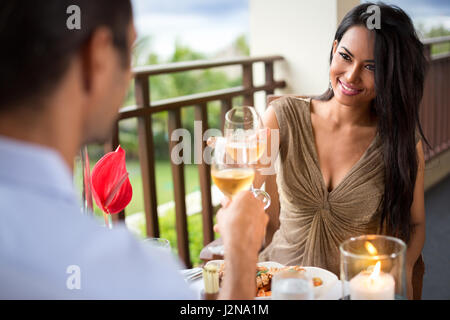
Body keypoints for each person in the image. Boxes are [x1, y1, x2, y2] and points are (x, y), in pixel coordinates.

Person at [0, 0, 268, 299]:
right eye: (130, 54)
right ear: (97, 57)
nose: (130, 76)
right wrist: (242, 251)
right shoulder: (130, 276)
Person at [254, 3, 426, 300]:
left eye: (372, 67)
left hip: (354, 291)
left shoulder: (400, 141)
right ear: (334, 48)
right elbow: (249, 200)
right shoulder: (281, 118)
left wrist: (405, 269)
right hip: (277, 286)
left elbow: (416, 222)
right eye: (345, 56)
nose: (351, 76)